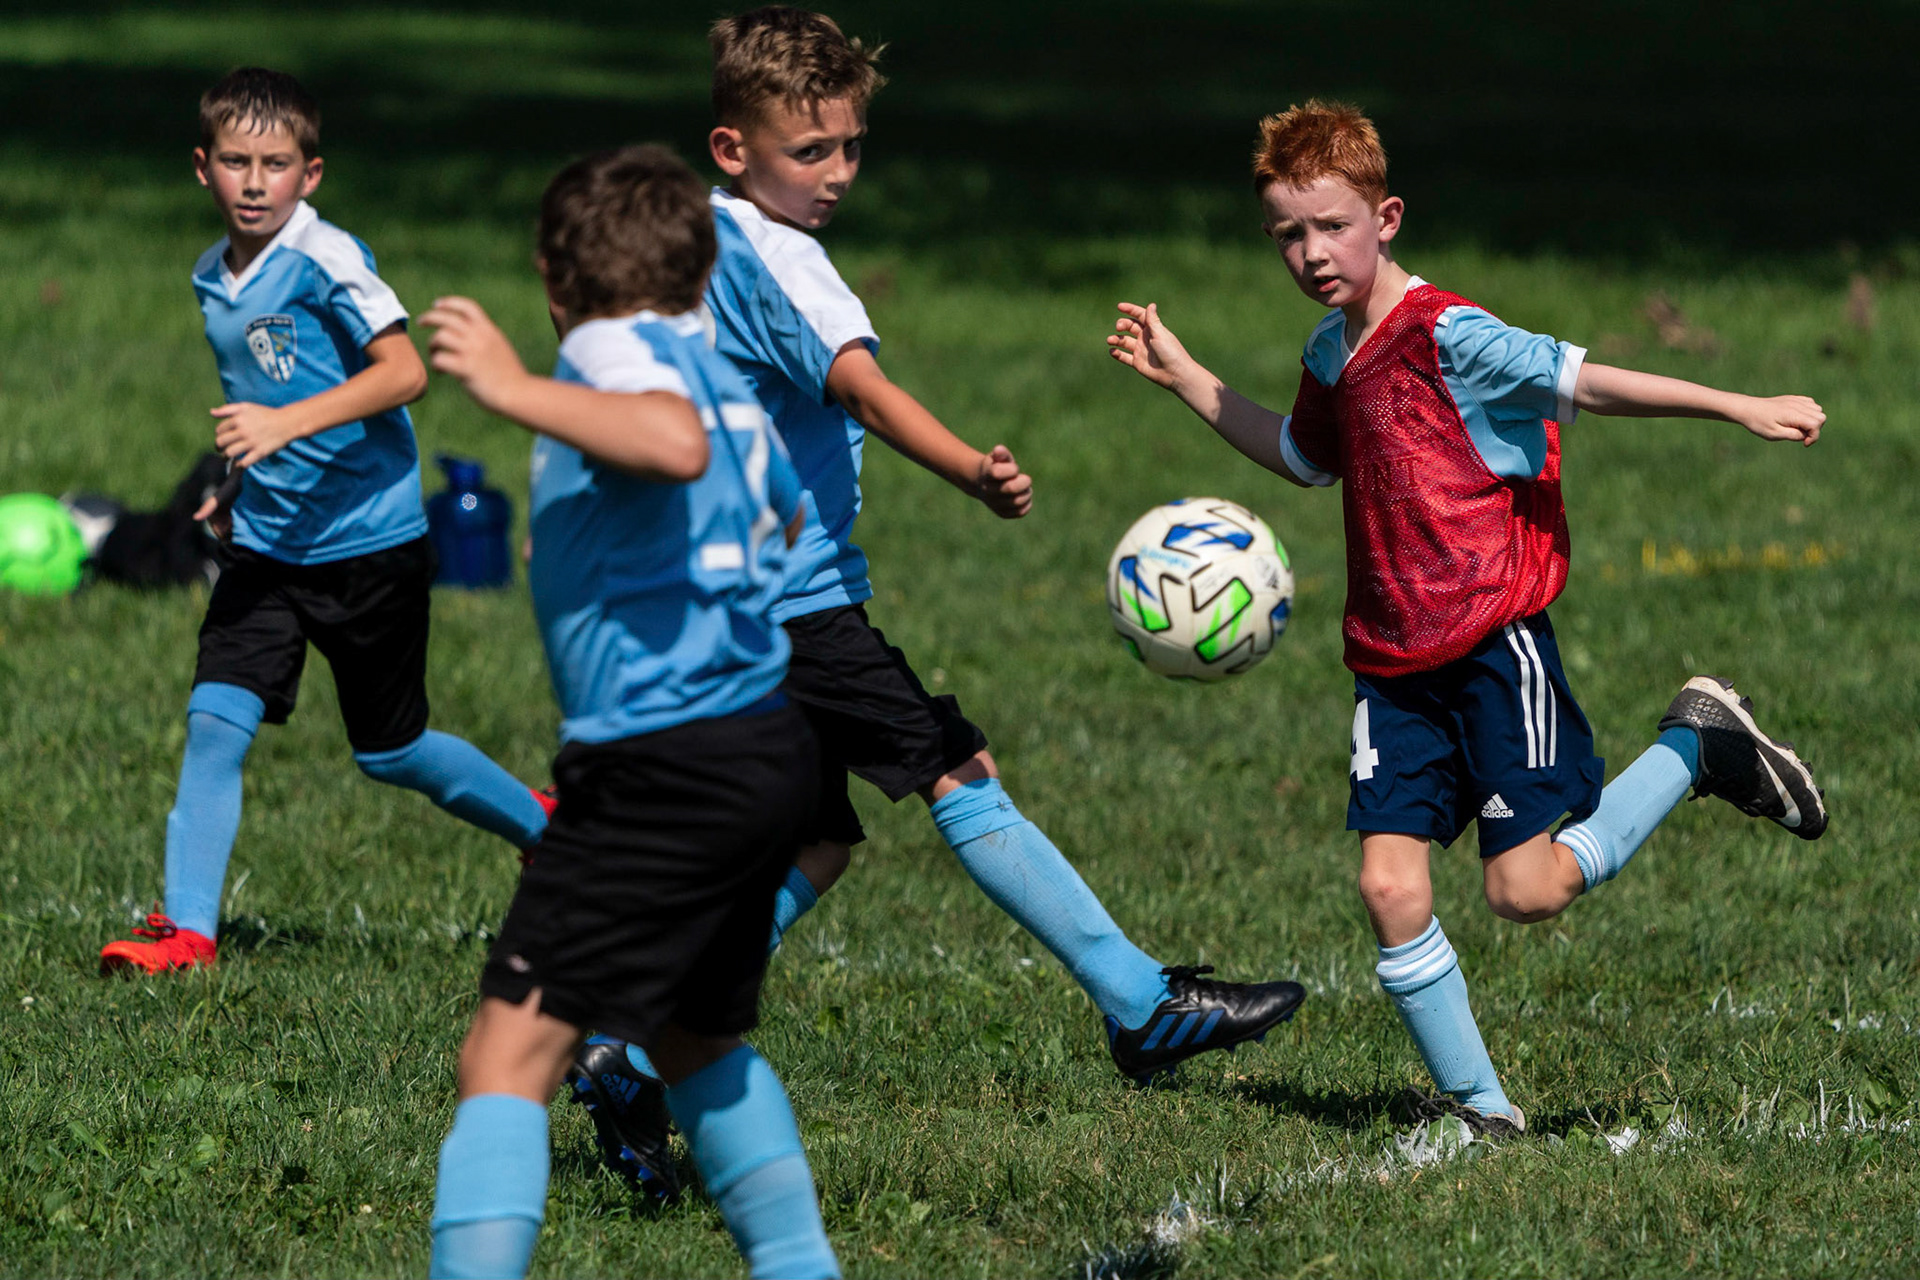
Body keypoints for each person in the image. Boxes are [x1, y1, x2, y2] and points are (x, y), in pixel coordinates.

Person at [570, 5, 1307, 1193]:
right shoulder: (781, 257)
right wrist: (970, 466)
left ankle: (633, 1043)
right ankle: (1140, 1003)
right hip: (793, 604)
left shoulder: (690, 240)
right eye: (810, 152)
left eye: (851, 146)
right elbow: (860, 389)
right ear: (731, 150)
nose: (838, 174)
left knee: (818, 836)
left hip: (707, 595)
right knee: (955, 770)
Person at [1107, 99, 1828, 1135]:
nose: (1311, 252)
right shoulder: (1327, 351)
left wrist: (1738, 404)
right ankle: (1485, 1111)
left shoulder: (1451, 334)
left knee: (1523, 892)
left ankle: (1697, 743)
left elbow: (1587, 380)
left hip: (1494, 643)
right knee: (1389, 886)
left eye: (1332, 226)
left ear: (1385, 216)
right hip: (1391, 663)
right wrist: (1186, 378)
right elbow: (1307, 457)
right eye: (1288, 235)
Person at [419, 145, 838, 1280]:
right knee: (695, 1038)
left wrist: (507, 388)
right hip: (763, 747)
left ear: (553, 281)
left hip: (662, 764)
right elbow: (783, 520)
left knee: (505, 1061)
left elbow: (668, 444)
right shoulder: (718, 371)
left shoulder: (606, 351)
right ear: (706, 277)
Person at [100, 68, 551, 975]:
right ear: (203, 168)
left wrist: (283, 426)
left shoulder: (328, 257)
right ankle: (188, 934)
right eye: (236, 161)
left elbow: (403, 373)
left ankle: (543, 824)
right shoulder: (210, 277)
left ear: (311, 173)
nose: (255, 180)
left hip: (368, 546)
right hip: (266, 546)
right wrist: (234, 481)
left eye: (276, 163)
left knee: (393, 752)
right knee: (214, 723)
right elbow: (257, 394)